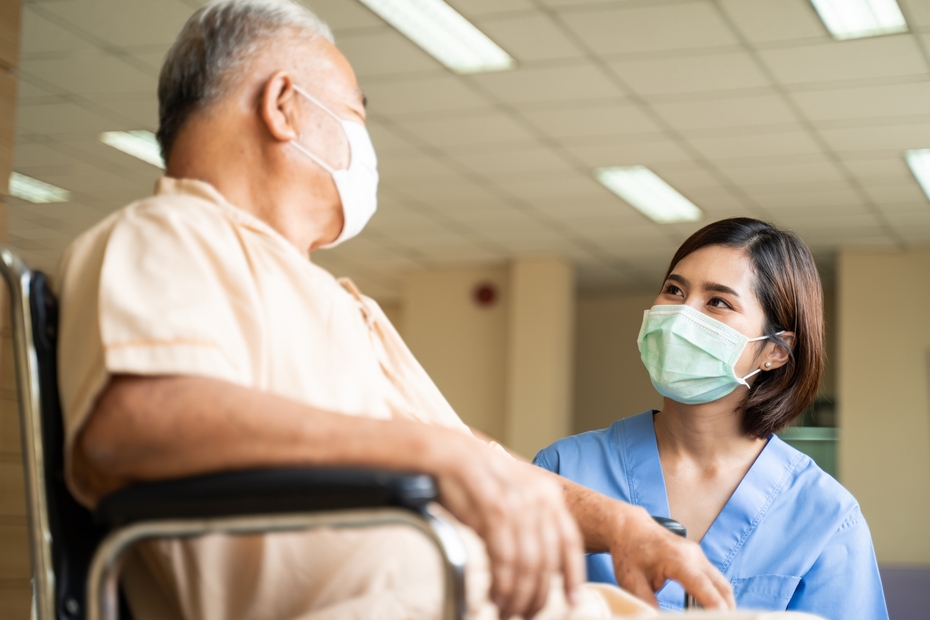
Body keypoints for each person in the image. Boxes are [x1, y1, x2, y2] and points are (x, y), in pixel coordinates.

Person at [53, 1, 750, 619]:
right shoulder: (167, 234)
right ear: (284, 106)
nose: (365, 145)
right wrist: (428, 452)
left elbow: (470, 458)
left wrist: (623, 525)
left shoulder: (330, 301)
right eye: (355, 113)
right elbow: (131, 422)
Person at [534, 218, 888, 619]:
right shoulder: (566, 468)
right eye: (674, 290)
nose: (682, 316)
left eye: (717, 302)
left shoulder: (824, 516)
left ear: (775, 351)